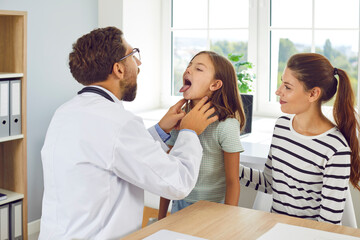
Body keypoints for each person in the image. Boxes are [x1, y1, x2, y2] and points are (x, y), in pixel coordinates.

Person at [39, 27, 218, 239]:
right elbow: (177, 183)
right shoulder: (118, 124)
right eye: (133, 55)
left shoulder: (65, 112)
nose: (139, 63)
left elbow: (113, 154)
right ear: (119, 69)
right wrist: (189, 132)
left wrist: (161, 130)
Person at [240, 53, 360, 225]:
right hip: (275, 231)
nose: (278, 91)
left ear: (313, 94)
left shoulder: (335, 149)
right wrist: (227, 165)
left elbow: (327, 226)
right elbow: (269, 183)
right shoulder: (282, 127)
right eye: (282, 82)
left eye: (287, 87)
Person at [158, 51, 246, 220]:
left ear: (215, 85)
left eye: (198, 68)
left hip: (214, 210)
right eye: (189, 65)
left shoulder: (226, 126)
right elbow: (169, 174)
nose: (188, 70)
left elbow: (233, 182)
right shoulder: (178, 119)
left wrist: (229, 221)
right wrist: (161, 217)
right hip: (180, 204)